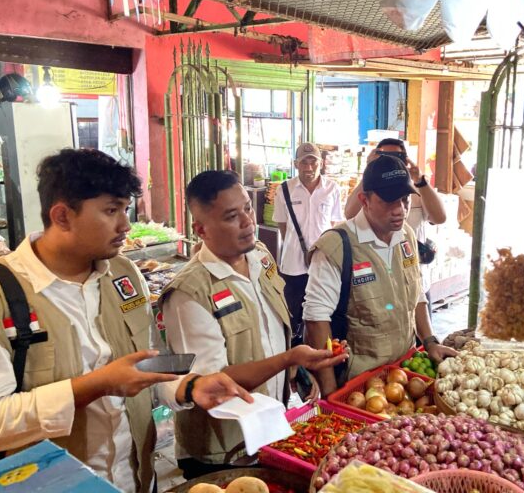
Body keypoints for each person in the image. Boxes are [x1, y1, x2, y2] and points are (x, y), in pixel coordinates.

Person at [0, 149, 251, 493]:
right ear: (62, 216)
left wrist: (189, 386)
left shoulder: (123, 274)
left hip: (135, 479)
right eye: (111, 210)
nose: (125, 225)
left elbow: (145, 367)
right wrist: (94, 386)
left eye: (125, 209)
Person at [160, 170, 347, 479]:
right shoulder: (189, 293)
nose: (248, 221)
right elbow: (214, 382)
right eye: (232, 216)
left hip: (269, 429)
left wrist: (296, 370)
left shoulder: (260, 256)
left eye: (247, 208)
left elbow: (270, 331)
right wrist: (288, 358)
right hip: (224, 451)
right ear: (201, 229)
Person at [304, 155, 456, 396]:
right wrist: (330, 391)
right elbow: (316, 320)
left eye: (404, 200)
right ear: (364, 200)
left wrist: (429, 341)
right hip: (359, 384)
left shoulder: (406, 235)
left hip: (404, 372)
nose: (400, 210)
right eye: (389, 202)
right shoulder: (336, 246)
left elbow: (416, 294)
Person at [344, 138, 446, 314]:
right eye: (384, 156)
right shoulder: (372, 191)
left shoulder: (416, 189)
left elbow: (440, 218)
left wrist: (419, 180)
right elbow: (350, 214)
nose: (399, 208)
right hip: (379, 284)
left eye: (398, 156)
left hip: (415, 281)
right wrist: (369, 173)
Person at [273, 142, 343, 341]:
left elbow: (334, 224)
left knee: (321, 311)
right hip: (293, 264)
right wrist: (296, 245)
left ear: (321, 163)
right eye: (304, 162)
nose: (309, 167)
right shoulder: (284, 190)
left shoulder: (332, 189)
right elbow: (282, 225)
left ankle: (319, 348)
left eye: (314, 162)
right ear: (296, 164)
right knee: (293, 313)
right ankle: (294, 349)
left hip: (323, 262)